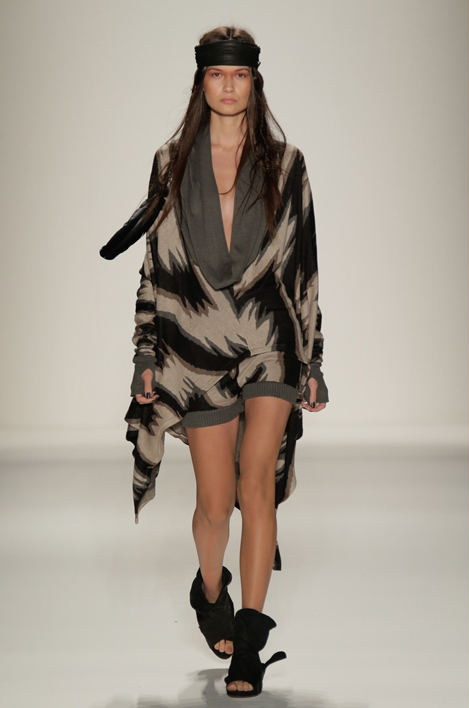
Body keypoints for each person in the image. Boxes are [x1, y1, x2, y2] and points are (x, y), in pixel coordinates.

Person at [114, 26, 327, 698]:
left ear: (254, 81)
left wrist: (314, 359)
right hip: (195, 344)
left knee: (254, 484)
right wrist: (145, 351)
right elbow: (154, 266)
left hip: (270, 338)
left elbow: (304, 267)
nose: (228, 86)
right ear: (201, 81)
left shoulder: (288, 164)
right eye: (217, 74)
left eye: (239, 75)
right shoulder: (170, 162)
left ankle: (250, 647)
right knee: (214, 504)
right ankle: (211, 591)